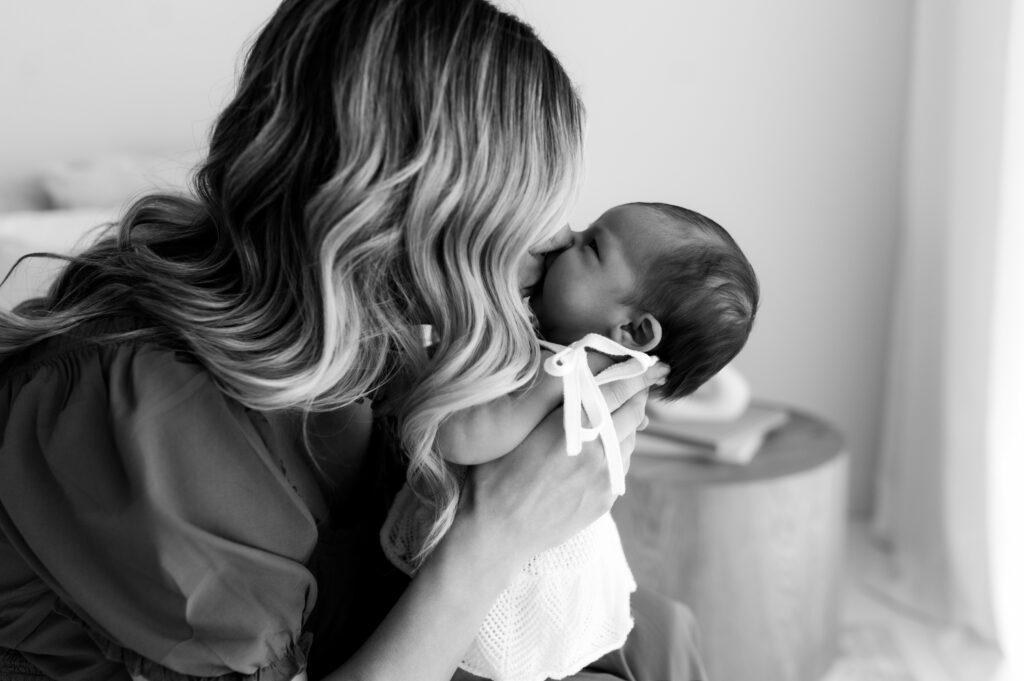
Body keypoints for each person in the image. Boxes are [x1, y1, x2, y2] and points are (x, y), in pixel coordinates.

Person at [0, 2, 706, 680]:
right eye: (533, 208)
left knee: (657, 633)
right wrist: (496, 537)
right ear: (404, 207)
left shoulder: (363, 332)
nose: (554, 240)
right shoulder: (145, 410)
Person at [381, 202, 758, 681]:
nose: (565, 240)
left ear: (634, 330)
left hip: (507, 584)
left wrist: (426, 378)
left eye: (592, 246)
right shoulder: (571, 359)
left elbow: (459, 437)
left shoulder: (567, 370)